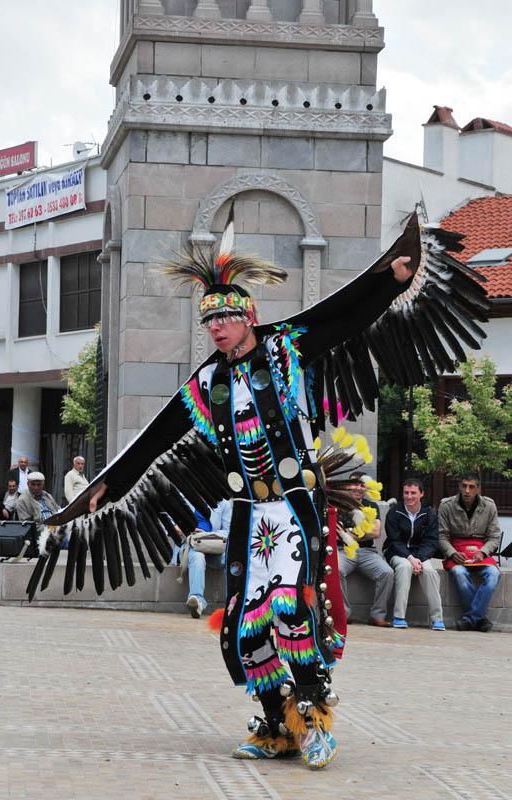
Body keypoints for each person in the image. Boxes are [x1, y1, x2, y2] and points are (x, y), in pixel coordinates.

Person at [79, 217, 416, 770]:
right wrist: (109, 486)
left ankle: (312, 722)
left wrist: (391, 281)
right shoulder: (206, 384)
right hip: (248, 516)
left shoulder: (287, 348)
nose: (216, 328)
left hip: (294, 507)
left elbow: (340, 315)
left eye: (226, 318)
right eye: (209, 319)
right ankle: (274, 725)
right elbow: (156, 436)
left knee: (290, 611)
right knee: (241, 627)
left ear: (248, 317)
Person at [438, 474, 501, 632]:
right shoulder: (446, 505)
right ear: (459, 486)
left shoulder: (489, 505)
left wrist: (483, 552)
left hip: (480, 550)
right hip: (456, 549)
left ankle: (470, 619)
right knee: (459, 573)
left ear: (478, 489)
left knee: (494, 574)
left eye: (471, 487)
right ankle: (480, 620)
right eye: (464, 486)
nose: (467, 490)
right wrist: (452, 553)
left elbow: (494, 537)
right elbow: (441, 536)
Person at [384, 479, 445, 630]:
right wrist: (410, 558)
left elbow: (431, 541)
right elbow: (394, 540)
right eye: (406, 493)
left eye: (413, 493)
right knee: (405, 567)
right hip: (397, 552)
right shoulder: (394, 512)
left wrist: (419, 559)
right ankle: (399, 616)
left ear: (421, 494)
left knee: (430, 571)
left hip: (420, 554)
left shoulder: (429, 513)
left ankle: (437, 618)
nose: (409, 496)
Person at [337, 472, 393, 627]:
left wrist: (351, 534)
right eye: (354, 484)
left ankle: (377, 615)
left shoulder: (371, 506)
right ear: (347, 486)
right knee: (336, 569)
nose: (358, 488)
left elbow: (376, 532)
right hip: (343, 550)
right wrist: (361, 532)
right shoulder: (338, 504)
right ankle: (343, 613)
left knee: (386, 573)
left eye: (362, 485)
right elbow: (338, 534)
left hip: (367, 552)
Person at [182, 499, 232, 619]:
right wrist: (186, 530)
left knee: (230, 558)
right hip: (192, 546)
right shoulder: (184, 498)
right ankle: (197, 602)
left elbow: (228, 531)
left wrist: (206, 535)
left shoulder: (223, 504)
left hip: (214, 548)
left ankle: (233, 603)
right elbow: (172, 524)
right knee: (197, 555)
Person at [15, 472, 60, 537]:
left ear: (43, 484)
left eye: (39, 485)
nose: (36, 487)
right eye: (33, 484)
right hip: (41, 535)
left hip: (56, 528)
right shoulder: (22, 500)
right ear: (28, 484)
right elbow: (27, 525)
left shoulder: (47, 496)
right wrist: (50, 528)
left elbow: (58, 510)